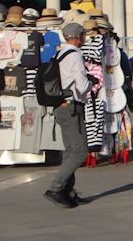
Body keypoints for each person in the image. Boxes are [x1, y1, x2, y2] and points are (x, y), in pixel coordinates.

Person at [44, 20, 91, 206]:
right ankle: (55, 188)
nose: (85, 38)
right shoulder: (75, 56)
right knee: (80, 152)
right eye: (84, 35)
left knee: (71, 150)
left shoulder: (60, 53)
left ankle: (67, 191)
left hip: (60, 105)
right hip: (72, 105)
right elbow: (82, 84)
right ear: (79, 37)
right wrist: (91, 83)